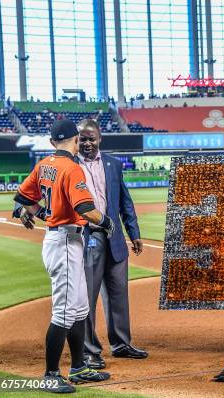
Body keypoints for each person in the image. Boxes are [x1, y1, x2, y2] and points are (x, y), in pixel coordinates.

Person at [13, 119, 113, 393]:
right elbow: (86, 209)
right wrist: (105, 222)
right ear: (75, 140)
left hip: (64, 241)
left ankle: (79, 367)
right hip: (66, 243)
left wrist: (27, 211)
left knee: (79, 308)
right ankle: (50, 374)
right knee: (65, 311)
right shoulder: (72, 168)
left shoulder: (44, 164)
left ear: (52, 141)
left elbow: (24, 198)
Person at [77, 119, 148, 370]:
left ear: (100, 138)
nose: (87, 143)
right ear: (76, 140)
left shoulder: (113, 164)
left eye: (91, 138)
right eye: (82, 139)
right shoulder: (69, 165)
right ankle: (89, 351)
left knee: (118, 295)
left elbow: (124, 201)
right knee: (86, 298)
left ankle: (121, 344)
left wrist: (134, 232)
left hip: (114, 237)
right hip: (87, 238)